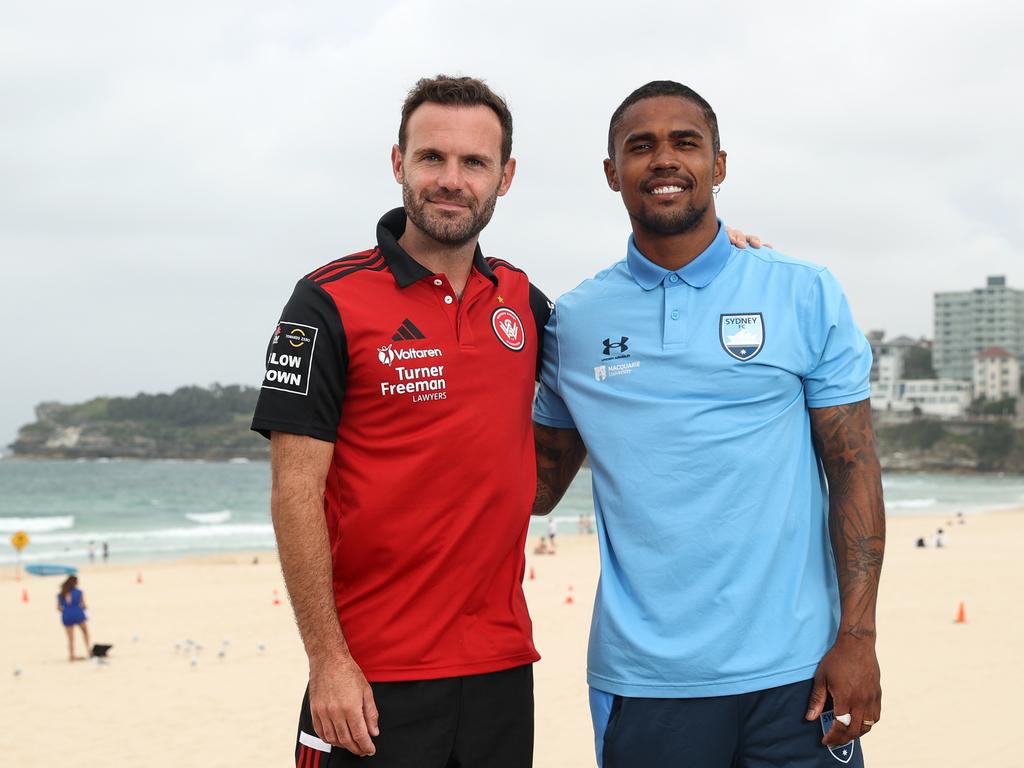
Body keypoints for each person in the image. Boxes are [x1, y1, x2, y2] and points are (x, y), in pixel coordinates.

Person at [532, 81, 885, 767]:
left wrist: (860, 638)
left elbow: (853, 465)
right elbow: (535, 487)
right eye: (641, 147)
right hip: (646, 682)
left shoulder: (803, 291)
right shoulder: (574, 322)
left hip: (799, 674)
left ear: (719, 165)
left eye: (685, 143)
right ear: (612, 174)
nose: (664, 160)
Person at [251, 75, 549, 768]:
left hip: (501, 670)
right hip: (367, 680)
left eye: (474, 162)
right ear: (398, 164)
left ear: (504, 177)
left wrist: (720, 247)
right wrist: (327, 660)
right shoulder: (323, 303)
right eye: (431, 158)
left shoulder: (522, 303)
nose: (451, 180)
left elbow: (623, 357)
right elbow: (294, 494)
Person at [57, 575, 90, 661]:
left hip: (67, 615)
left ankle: (71, 655)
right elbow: (83, 605)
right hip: (77, 613)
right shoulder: (79, 592)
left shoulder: (61, 593)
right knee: (85, 633)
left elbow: (58, 608)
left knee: (70, 638)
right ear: (75, 583)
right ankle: (88, 651)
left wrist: (67, 610)